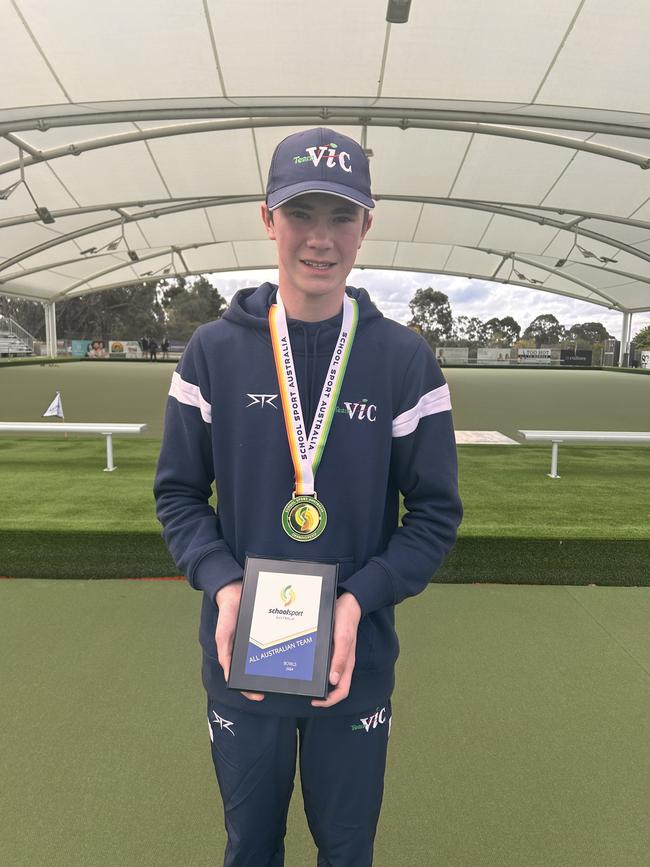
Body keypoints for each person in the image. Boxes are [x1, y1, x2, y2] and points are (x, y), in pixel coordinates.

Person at [154, 127, 462, 867]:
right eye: (302, 214)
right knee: (250, 845)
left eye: (341, 216)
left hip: (353, 667)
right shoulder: (213, 352)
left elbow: (435, 515)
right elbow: (179, 495)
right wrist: (225, 587)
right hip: (243, 666)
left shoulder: (403, 360)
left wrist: (358, 601)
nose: (320, 239)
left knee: (347, 849)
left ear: (367, 224)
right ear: (268, 218)